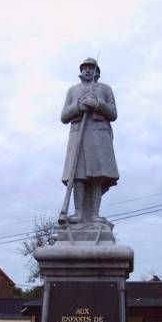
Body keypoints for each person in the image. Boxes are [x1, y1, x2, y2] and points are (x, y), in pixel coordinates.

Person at [61, 58, 119, 224]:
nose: (87, 70)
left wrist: (97, 104)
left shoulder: (105, 89)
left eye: (91, 68)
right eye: (85, 68)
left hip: (99, 137)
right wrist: (78, 107)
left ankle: (94, 214)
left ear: (97, 71)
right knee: (78, 175)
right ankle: (78, 213)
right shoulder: (73, 91)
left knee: (97, 175)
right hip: (78, 135)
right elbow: (64, 116)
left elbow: (113, 113)